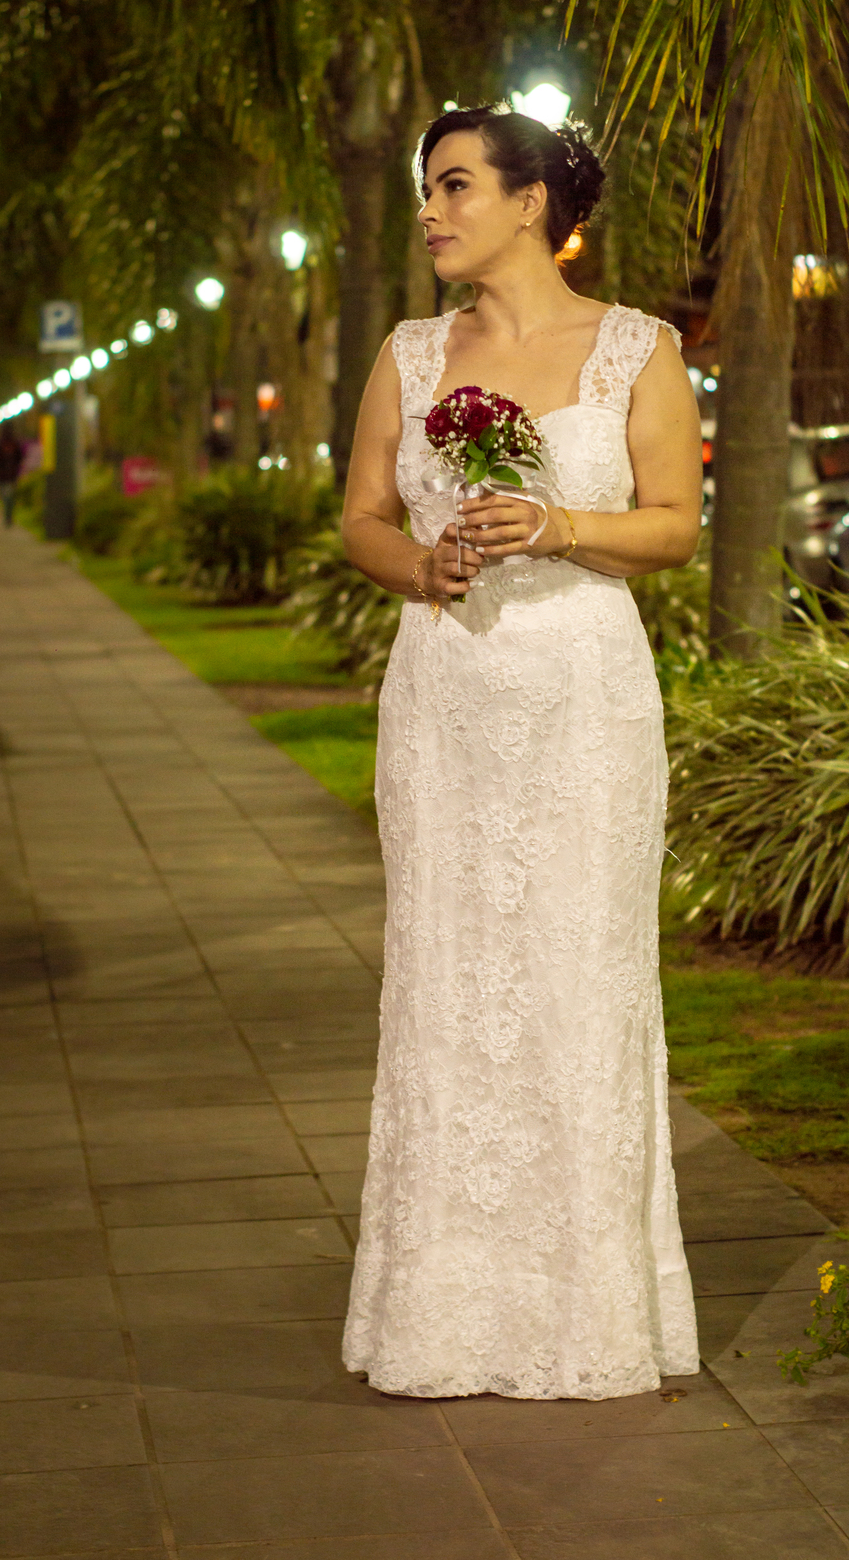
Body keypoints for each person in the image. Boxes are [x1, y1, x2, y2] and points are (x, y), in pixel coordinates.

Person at [340, 103, 702, 1400]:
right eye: (425, 192)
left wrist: (552, 521)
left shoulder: (641, 350)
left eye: (453, 186)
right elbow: (362, 519)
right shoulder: (408, 351)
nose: (430, 212)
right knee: (446, 981)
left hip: (587, 702)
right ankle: (443, 1310)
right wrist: (421, 564)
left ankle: (592, 1307)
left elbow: (673, 530)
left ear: (531, 201)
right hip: (444, 697)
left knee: (577, 978)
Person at [0, 426, 25, 527]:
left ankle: (8, 516)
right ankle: (8, 516)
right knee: (9, 497)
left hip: (4, 476)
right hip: (10, 476)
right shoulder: (14, 444)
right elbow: (20, 458)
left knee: (7, 497)